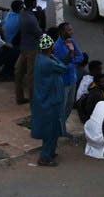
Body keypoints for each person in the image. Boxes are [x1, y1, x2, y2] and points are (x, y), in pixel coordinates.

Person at [31, 33, 69, 166]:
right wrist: (55, 58)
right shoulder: (48, 62)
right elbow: (63, 67)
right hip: (50, 102)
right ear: (50, 48)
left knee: (53, 129)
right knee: (50, 131)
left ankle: (50, 151)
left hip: (47, 100)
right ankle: (45, 157)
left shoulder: (40, 58)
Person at [52, 22, 86, 134]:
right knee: (62, 106)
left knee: (70, 104)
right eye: (69, 30)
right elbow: (61, 65)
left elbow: (80, 57)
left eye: (71, 29)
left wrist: (72, 61)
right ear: (62, 32)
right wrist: (71, 54)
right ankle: (59, 129)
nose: (71, 32)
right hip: (63, 81)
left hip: (72, 79)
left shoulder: (72, 42)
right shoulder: (57, 46)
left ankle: (60, 125)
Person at [15, 0, 45, 104]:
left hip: (23, 47)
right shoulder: (31, 19)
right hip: (32, 49)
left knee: (18, 72)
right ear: (32, 3)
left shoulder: (23, 13)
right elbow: (39, 33)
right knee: (31, 77)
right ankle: (33, 103)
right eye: (35, 1)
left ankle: (19, 97)